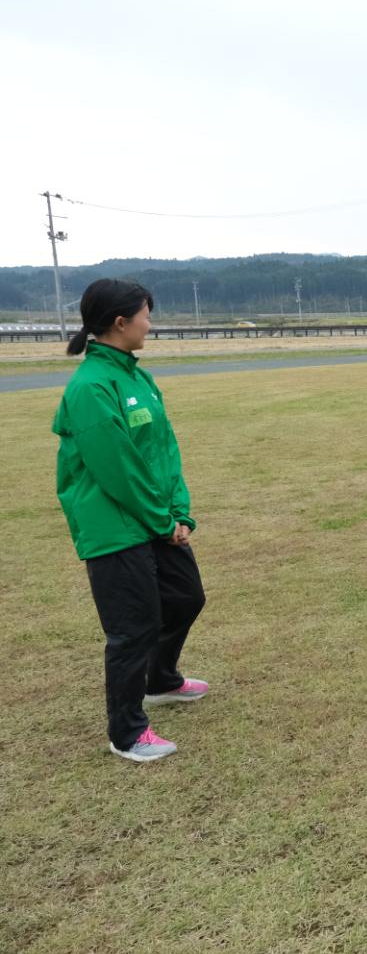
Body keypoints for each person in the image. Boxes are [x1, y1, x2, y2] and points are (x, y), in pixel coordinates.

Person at [52, 280, 209, 762]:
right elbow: (116, 466)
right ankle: (126, 732)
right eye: (146, 314)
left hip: (155, 517)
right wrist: (163, 520)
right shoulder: (90, 386)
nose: (150, 323)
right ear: (121, 322)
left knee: (186, 597)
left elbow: (164, 449)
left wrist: (178, 512)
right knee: (132, 627)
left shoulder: (137, 377)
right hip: (113, 526)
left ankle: (160, 680)